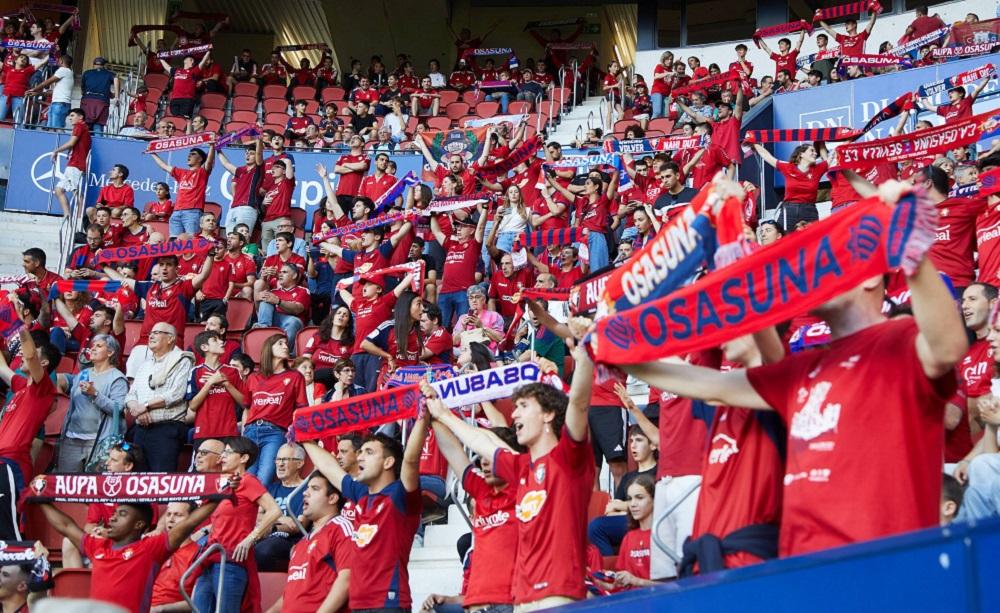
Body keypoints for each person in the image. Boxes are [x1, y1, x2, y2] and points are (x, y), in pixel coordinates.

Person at [621, 180, 968, 559]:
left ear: (871, 275)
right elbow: (707, 384)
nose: (815, 273)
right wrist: (614, 350)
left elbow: (948, 345)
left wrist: (910, 248)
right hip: (800, 569)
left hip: (882, 567)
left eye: (829, 260)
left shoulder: (898, 339)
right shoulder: (803, 368)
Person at [425, 340, 596, 608]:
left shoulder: (567, 460)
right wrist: (442, 413)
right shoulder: (521, 469)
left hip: (558, 596)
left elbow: (579, 405)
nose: (514, 413)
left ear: (549, 414)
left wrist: (584, 360)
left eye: (523, 406)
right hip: (522, 601)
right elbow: (482, 444)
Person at [303, 412, 429, 611]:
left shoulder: (400, 494)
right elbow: (329, 467)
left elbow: (411, 461)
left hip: (389, 603)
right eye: (360, 452)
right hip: (357, 603)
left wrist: (422, 417)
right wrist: (304, 438)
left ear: (388, 462)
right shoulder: (361, 495)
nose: (360, 456)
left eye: (369, 452)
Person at [424, 384, 521, 612]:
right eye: (481, 458)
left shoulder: (525, 488)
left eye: (490, 457)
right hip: (476, 604)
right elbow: (451, 450)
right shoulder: (481, 489)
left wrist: (446, 415)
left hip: (512, 602)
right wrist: (433, 414)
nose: (484, 462)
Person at [38, 493, 222, 612]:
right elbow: (65, 526)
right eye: (115, 512)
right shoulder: (98, 547)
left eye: (122, 514)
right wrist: (40, 498)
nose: (113, 517)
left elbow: (188, 525)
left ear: (139, 525)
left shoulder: (150, 549)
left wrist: (218, 496)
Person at [193, 437, 281, 613]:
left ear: (244, 458)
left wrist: (250, 539)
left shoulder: (247, 480)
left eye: (228, 452)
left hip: (231, 560)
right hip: (210, 558)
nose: (222, 457)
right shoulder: (224, 484)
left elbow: (274, 511)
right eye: (222, 452)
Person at [0, 310, 62, 539]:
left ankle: (22, 568)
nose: (26, 357)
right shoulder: (20, 387)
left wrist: (18, 326)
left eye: (33, 354)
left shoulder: (43, 389)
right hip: (2, 459)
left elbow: (30, 355)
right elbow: (2, 366)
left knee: (9, 522)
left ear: (43, 362)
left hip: (13, 462)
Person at [266, 472, 353, 613]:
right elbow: (290, 595)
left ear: (332, 498)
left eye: (315, 488)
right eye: (307, 488)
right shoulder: (301, 544)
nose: (305, 493)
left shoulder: (341, 529)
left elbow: (347, 579)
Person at [124, 323, 195, 472]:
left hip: (166, 430)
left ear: (170, 339)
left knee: (161, 478)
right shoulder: (145, 365)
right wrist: (139, 409)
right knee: (139, 479)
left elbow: (176, 393)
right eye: (151, 332)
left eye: (157, 332)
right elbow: (130, 395)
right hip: (141, 428)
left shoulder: (182, 360)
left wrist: (146, 406)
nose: (151, 335)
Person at [55, 334, 128, 472]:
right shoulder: (83, 374)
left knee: (94, 488)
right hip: (72, 438)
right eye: (92, 346)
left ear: (110, 352)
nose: (93, 349)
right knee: (67, 485)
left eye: (99, 346)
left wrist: (95, 394)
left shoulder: (117, 378)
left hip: (99, 441)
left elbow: (118, 409)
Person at [243, 334, 308, 485]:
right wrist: (244, 431)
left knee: (263, 480)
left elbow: (301, 409)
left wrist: (293, 434)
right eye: (280, 343)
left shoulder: (295, 376)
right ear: (269, 349)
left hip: (275, 432)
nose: (286, 346)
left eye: (286, 343)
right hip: (250, 431)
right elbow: (247, 407)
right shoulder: (253, 377)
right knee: (247, 479)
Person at [752, 142, 827, 232]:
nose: (815, 153)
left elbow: (829, 160)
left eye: (815, 152)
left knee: (813, 241)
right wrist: (754, 143)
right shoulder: (788, 167)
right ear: (801, 154)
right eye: (812, 150)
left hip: (809, 211)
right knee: (783, 239)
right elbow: (767, 156)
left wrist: (821, 141)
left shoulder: (818, 169)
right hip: (789, 210)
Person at [255, 443, 306, 572]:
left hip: (289, 542)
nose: (280, 464)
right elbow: (256, 515)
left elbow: (299, 525)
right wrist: (281, 518)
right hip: (264, 537)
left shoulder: (307, 489)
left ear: (299, 463)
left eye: (284, 459)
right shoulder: (271, 488)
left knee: (262, 551)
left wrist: (270, 526)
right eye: (278, 459)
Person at [187, 330, 245, 444]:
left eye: (221, 339)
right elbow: (192, 406)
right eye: (215, 340)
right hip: (203, 431)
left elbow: (244, 403)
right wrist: (210, 383)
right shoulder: (195, 372)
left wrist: (226, 384)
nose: (221, 342)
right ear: (204, 347)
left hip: (228, 431)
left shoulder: (233, 371)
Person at [150, 146, 217, 237]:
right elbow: (164, 166)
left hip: (192, 212)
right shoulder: (181, 172)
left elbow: (209, 162)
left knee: (191, 241)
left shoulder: (202, 172)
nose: (189, 156)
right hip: (176, 212)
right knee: (174, 243)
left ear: (200, 159)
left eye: (193, 154)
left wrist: (212, 146)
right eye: (189, 154)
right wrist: (152, 153)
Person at [149, 502, 203, 612]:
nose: (171, 519)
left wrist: (161, 609)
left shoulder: (199, 554)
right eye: (168, 514)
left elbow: (198, 601)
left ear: (193, 520)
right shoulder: (152, 547)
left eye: (178, 515)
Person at [612, 475, 657, 589]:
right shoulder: (629, 537)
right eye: (630, 498)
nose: (632, 504)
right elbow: (622, 585)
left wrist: (636, 581)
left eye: (639, 497)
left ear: (654, 499)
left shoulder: (663, 536)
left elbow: (674, 586)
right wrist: (607, 584)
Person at [255, 262, 310, 345]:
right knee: (265, 300)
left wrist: (278, 301)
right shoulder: (273, 291)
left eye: (284, 272)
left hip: (293, 321)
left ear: (294, 275)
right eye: (280, 272)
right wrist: (257, 299)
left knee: (293, 321)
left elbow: (298, 309)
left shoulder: (302, 290)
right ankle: (263, 331)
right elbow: (259, 310)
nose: (280, 275)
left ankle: (287, 351)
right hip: (273, 320)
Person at [51, 107, 91, 217]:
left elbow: (71, 143)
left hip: (76, 164)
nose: (70, 118)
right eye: (70, 116)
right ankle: (67, 215)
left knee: (76, 192)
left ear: (80, 117)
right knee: (59, 190)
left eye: (72, 116)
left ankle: (78, 219)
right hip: (73, 163)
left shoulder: (79, 126)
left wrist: (56, 151)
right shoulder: (83, 128)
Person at [27, 53, 73, 129]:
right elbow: (51, 92)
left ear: (61, 61)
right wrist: (37, 93)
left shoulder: (63, 70)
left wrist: (33, 89)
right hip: (58, 103)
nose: (57, 62)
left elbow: (46, 82)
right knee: (52, 129)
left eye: (58, 60)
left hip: (60, 104)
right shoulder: (68, 72)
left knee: (57, 129)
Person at [159, 52, 212, 118]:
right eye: (191, 60)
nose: (193, 62)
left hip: (187, 100)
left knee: (185, 120)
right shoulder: (176, 71)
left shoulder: (193, 71)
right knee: (175, 119)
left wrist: (208, 52)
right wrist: (160, 58)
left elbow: (203, 61)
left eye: (194, 61)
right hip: (175, 99)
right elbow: (167, 67)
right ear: (185, 61)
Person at [920, 78, 990, 122]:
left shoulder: (966, 102)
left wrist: (987, 77)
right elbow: (929, 106)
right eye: (949, 93)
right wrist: (922, 94)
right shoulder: (945, 108)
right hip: (954, 140)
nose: (950, 94)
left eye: (952, 92)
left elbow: (978, 90)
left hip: (967, 136)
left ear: (961, 94)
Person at [79, 56, 119, 133]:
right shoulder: (109, 74)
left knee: (85, 126)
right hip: (101, 101)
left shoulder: (86, 73)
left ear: (94, 65)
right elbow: (116, 79)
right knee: (98, 126)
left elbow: (82, 91)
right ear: (104, 65)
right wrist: (116, 96)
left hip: (87, 101)